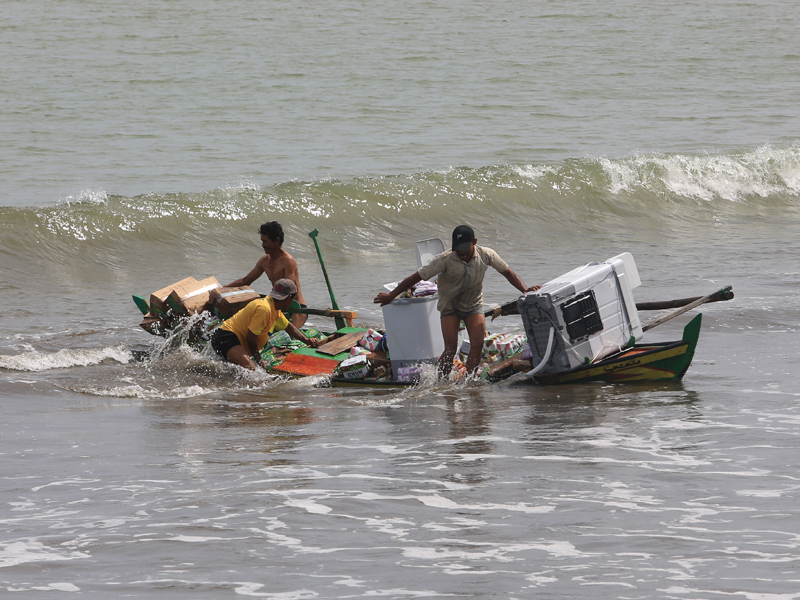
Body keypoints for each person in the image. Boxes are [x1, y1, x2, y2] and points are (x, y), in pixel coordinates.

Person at [373, 225, 541, 379]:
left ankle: (468, 381)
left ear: (474, 242)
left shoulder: (486, 254)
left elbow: (508, 272)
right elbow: (416, 276)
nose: (461, 253)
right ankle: (441, 381)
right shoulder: (445, 259)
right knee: (450, 348)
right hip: (450, 307)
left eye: (464, 249)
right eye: (457, 249)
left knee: (478, 344)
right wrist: (392, 295)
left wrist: (525, 290)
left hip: (473, 305)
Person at [211, 278, 319, 370]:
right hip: (226, 337)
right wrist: (259, 360)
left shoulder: (274, 309)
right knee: (251, 370)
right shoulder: (265, 309)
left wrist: (306, 340)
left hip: (234, 340)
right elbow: (250, 337)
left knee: (239, 370)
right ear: (290, 297)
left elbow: (288, 327)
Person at [227, 221, 308, 328]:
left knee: (291, 340)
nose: (263, 245)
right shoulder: (264, 261)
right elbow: (245, 281)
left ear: (277, 241)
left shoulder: (288, 260)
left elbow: (289, 288)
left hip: (296, 307)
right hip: (278, 305)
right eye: (262, 241)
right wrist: (223, 289)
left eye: (265, 242)